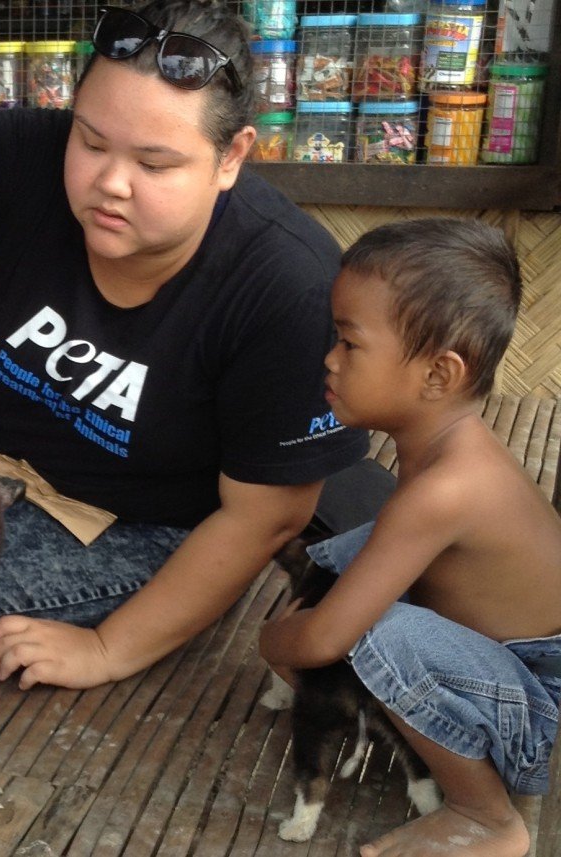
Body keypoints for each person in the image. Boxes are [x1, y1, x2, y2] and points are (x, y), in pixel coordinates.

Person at [0, 0, 369, 690]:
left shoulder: (286, 285)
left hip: (151, 535)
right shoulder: (28, 154)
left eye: (155, 164)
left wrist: (107, 648)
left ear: (232, 155)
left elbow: (264, 518)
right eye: (91, 143)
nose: (109, 183)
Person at [259, 218, 561, 857]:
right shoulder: (442, 455)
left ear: (439, 375)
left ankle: (487, 818)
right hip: (509, 666)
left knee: (367, 629)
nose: (329, 358)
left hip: (535, 700)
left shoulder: (444, 490)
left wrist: (275, 639)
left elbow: (323, 637)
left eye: (349, 343)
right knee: (346, 554)